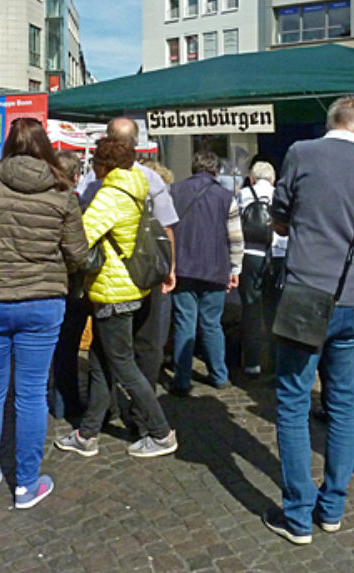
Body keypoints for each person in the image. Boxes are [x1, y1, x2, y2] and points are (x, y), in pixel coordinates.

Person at [263, 95, 354, 545]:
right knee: (342, 407)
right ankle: (332, 507)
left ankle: (298, 514)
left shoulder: (301, 153)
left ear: (332, 122)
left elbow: (279, 221)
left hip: (305, 293)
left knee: (294, 403)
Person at [0, 118, 87, 508]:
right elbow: (78, 253)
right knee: (30, 394)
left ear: (8, 144)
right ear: (45, 146)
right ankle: (26, 484)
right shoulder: (62, 190)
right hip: (42, 300)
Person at [54, 135, 178, 459]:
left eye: (94, 161)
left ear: (104, 164)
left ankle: (162, 433)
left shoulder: (110, 195)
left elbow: (81, 239)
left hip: (113, 291)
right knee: (100, 362)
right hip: (130, 288)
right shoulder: (137, 186)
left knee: (122, 365)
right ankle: (87, 434)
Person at [168, 150, 243, 395]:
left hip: (182, 268)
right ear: (216, 171)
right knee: (212, 323)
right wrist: (235, 268)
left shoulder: (174, 191)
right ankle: (219, 375)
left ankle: (181, 378)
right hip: (215, 268)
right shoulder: (226, 197)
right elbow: (235, 237)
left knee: (184, 323)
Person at [49, 149, 92, 419]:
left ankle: (58, 399)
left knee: (53, 345)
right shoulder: (76, 204)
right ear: (76, 177)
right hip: (69, 283)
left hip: (42, 282)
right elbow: (78, 251)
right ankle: (66, 402)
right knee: (67, 345)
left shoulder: (38, 200)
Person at [236, 160, 277, 378]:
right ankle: (274, 360)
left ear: (251, 178)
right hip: (275, 255)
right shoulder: (279, 194)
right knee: (273, 309)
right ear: (273, 179)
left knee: (251, 308)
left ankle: (252, 363)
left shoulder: (243, 194)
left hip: (249, 255)